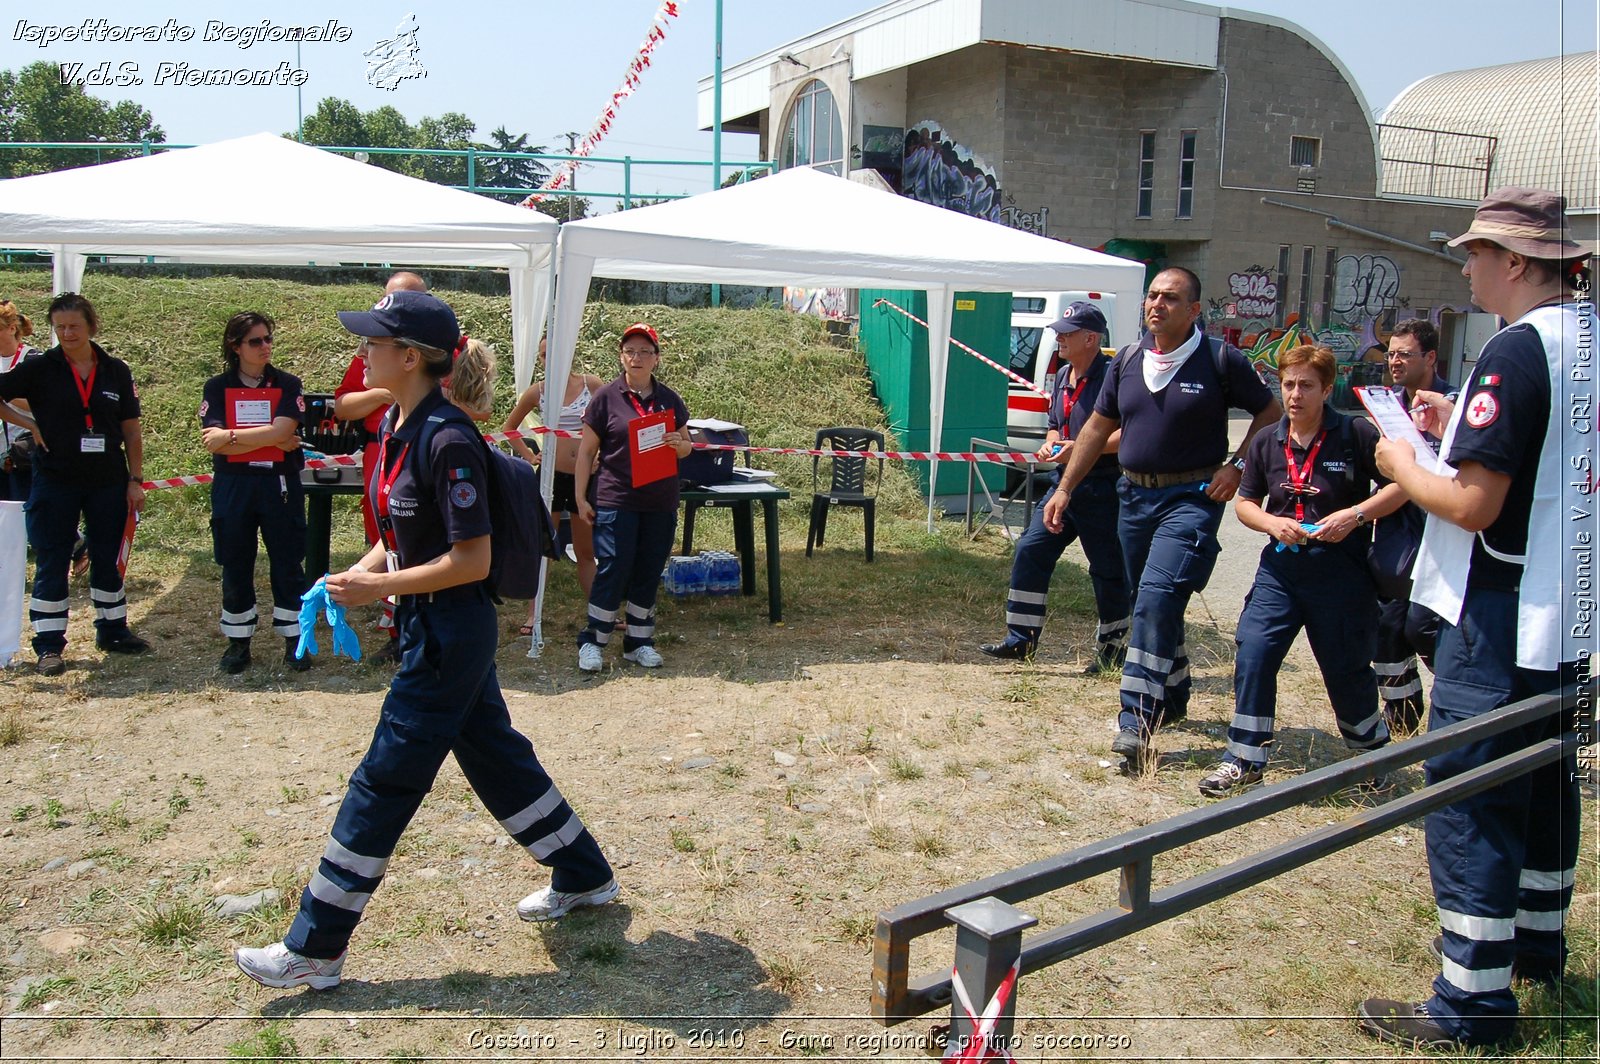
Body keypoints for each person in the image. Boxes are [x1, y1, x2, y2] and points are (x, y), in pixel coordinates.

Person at [234, 289, 617, 993]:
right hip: (432, 624)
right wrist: (362, 571)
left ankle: (315, 946)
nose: (362, 353)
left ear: (409, 358)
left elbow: (471, 558)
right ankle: (585, 873)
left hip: (450, 629)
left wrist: (379, 589)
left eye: (374, 343)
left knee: (383, 780)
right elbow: (399, 534)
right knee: (498, 758)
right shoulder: (400, 426)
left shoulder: (446, 438)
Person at [1358, 188, 1592, 1050]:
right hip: (1568, 607)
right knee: (1544, 781)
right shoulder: (1588, 340)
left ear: (1518, 263)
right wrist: (1455, 421)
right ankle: (1534, 944)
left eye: (1477, 253)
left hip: (1501, 611)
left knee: (1469, 793)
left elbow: (1474, 503)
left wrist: (1400, 460)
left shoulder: (1516, 350)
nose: (1466, 267)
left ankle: (1469, 1000)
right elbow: (1550, 453)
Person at [1054, 268, 1281, 770]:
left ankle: (1136, 719)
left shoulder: (1221, 359)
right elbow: (1096, 427)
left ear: (1194, 310)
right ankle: (1174, 691)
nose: (1157, 304)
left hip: (1193, 498)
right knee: (1148, 599)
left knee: (1156, 598)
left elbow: (1271, 412)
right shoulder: (1128, 360)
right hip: (1133, 498)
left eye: (1171, 298)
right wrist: (1065, 487)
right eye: (1153, 296)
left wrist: (1239, 465)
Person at [1199, 344, 1406, 797]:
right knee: (1254, 652)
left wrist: (1356, 515)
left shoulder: (1355, 434)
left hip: (1340, 574)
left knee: (1346, 669)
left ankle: (1371, 758)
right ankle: (1245, 759)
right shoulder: (1266, 440)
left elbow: (1401, 486)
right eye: (1288, 384)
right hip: (1280, 571)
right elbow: (1247, 505)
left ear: (1327, 389)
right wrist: (1274, 523)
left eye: (1306, 385)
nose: (1294, 394)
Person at [0, 293, 150, 675]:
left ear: (91, 326)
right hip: (55, 479)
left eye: (74, 327)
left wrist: (135, 479)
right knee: (52, 558)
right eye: (60, 327)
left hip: (107, 480)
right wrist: (30, 425)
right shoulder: (41, 367)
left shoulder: (115, 370)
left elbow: (131, 431)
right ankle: (49, 646)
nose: (67, 333)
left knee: (106, 557)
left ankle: (113, 630)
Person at [977, 302, 1129, 670]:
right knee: (1030, 549)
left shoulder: (1115, 377)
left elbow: (1129, 433)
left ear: (1091, 338)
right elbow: (1055, 424)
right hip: (1062, 485)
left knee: (1108, 570)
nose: (1058, 337)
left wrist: (1085, 448)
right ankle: (1020, 640)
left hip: (1102, 487)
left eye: (1067, 332)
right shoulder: (1062, 376)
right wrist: (1052, 441)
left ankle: (1113, 652)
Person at [573, 322, 692, 672]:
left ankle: (639, 641)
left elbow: (686, 446)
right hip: (616, 499)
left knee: (649, 569)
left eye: (644, 351)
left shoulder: (669, 399)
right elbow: (585, 453)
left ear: (656, 359)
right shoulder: (605, 398)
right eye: (630, 351)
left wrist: (679, 445)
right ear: (621, 357)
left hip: (659, 500)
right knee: (613, 567)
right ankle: (593, 640)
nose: (636, 357)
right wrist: (580, 498)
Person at [200, 311, 311, 675]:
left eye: (268, 339)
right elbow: (215, 444)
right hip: (234, 486)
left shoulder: (288, 383)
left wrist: (232, 436)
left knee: (288, 561)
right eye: (255, 341)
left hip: (279, 483)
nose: (265, 346)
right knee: (235, 561)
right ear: (236, 346)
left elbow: (284, 427)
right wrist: (270, 438)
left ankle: (295, 641)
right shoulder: (217, 388)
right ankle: (238, 642)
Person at [334, 271, 428, 665]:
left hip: (421, 450)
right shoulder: (377, 353)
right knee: (386, 538)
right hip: (381, 451)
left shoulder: (440, 352)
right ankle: (396, 628)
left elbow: (478, 406)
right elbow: (343, 406)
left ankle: (419, 626)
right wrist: (384, 393)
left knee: (424, 538)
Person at [1370, 319, 1456, 734]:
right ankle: (1402, 722)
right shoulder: (1385, 407)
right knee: (1386, 630)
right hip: (1394, 536)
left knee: (1423, 625)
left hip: (1438, 535)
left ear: (1431, 358)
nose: (1395, 361)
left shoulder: (1452, 407)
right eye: (1391, 354)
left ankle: (1459, 694)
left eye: (1405, 354)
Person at [503, 339, 607, 635]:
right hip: (550, 477)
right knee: (541, 548)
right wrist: (529, 456)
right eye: (544, 355)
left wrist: (602, 455)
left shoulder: (592, 385)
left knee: (585, 551)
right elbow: (510, 428)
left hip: (583, 479)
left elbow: (613, 424)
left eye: (554, 354)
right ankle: (532, 615)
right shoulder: (537, 391)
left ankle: (599, 612)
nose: (549, 360)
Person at [0, 299, 43, 503]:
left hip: (24, 454)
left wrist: (7, 392)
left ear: (11, 328)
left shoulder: (32, 359)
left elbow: (42, 403)